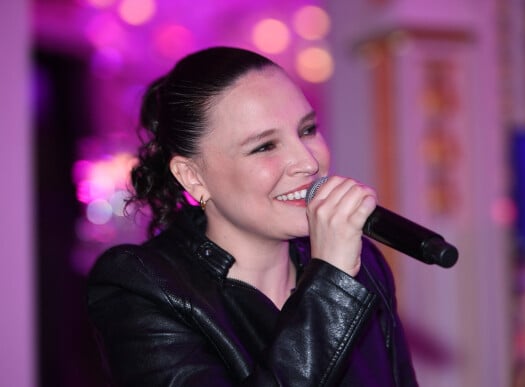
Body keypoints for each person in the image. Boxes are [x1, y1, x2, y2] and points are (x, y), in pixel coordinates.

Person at [87, 46, 418, 386]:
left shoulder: (361, 266)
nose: (308, 162)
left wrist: (335, 276)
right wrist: (332, 281)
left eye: (307, 130)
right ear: (193, 177)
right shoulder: (142, 286)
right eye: (264, 147)